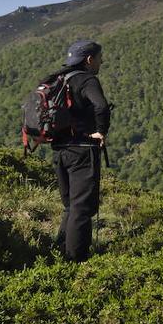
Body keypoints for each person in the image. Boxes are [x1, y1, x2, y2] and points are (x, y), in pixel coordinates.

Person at [52, 40, 110, 262]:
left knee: (70, 207)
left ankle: (58, 253)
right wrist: (100, 132)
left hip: (59, 150)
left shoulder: (58, 79)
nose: (101, 62)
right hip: (82, 151)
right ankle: (76, 262)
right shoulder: (87, 79)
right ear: (89, 60)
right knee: (82, 209)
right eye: (99, 58)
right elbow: (101, 106)